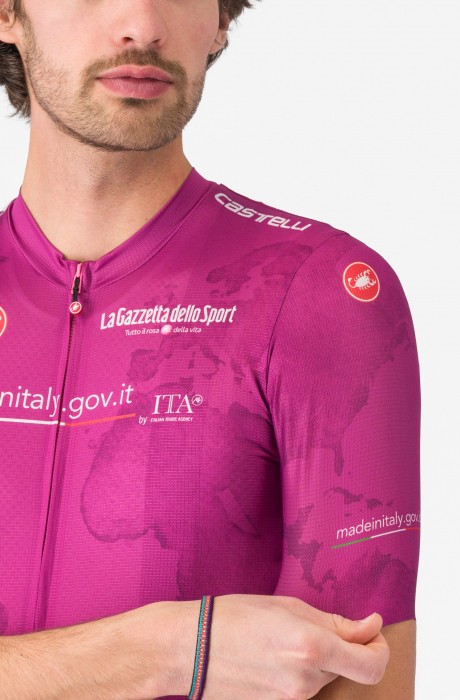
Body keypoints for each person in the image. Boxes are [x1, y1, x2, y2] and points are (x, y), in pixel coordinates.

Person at [0, 0, 421, 697]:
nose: (142, 24)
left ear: (221, 19)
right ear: (8, 13)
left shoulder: (323, 296)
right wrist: (166, 650)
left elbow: (364, 681)